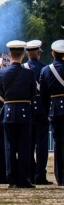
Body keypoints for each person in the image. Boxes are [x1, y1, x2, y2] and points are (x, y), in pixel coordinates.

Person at [0, 40, 36, 189]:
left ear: (9, 54)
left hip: (8, 111)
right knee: (24, 147)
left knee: (9, 147)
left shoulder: (1, 73)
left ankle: (11, 179)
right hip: (25, 110)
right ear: (23, 55)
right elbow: (33, 93)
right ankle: (23, 178)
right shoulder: (29, 73)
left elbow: (0, 92)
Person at [24, 40, 52, 185]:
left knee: (27, 144)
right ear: (39, 54)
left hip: (27, 109)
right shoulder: (45, 68)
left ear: (27, 54)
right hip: (42, 108)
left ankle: (30, 173)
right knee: (41, 145)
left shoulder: (23, 68)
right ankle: (40, 175)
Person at [39, 40, 64, 186]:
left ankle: (60, 177)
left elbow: (43, 95)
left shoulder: (47, 70)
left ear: (53, 53)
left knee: (58, 143)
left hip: (55, 109)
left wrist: (47, 111)